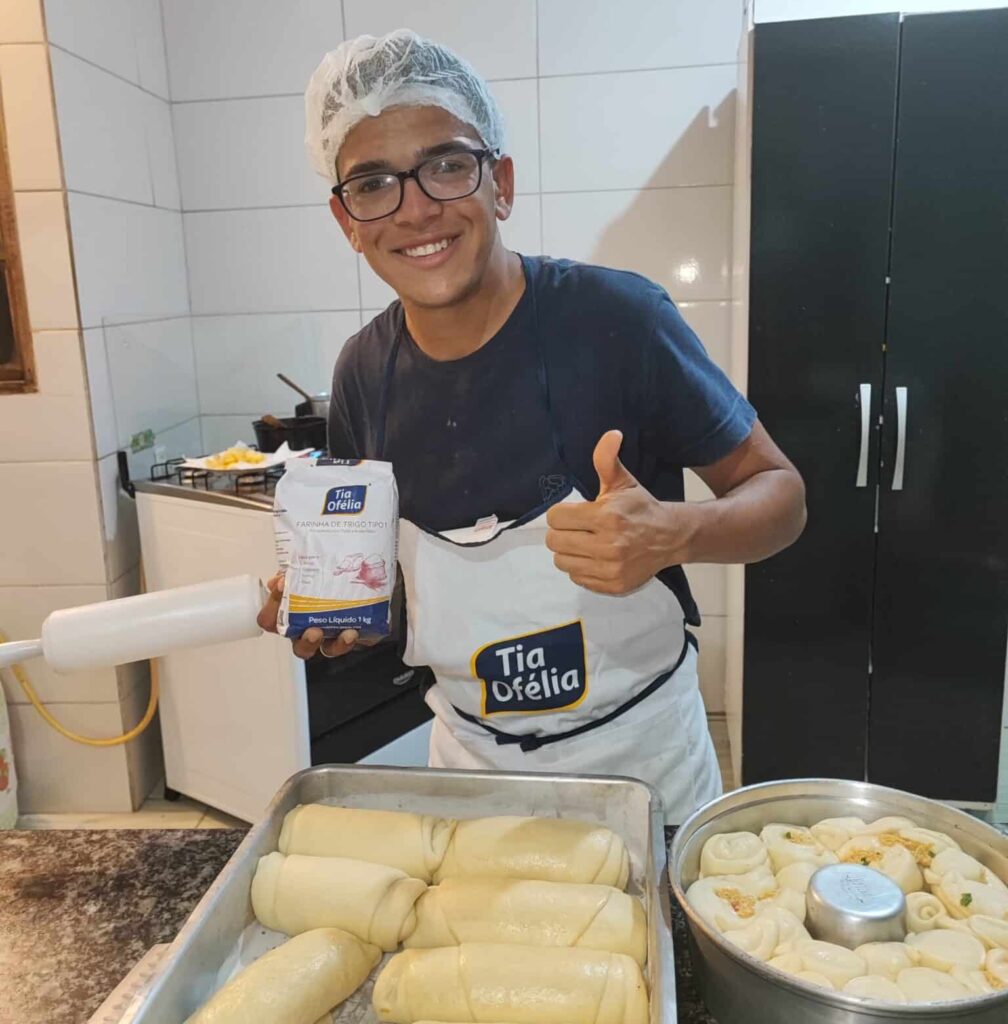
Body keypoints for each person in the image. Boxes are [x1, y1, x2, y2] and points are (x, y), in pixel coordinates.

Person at [258, 30, 806, 823]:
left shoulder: (620, 320)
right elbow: (391, 588)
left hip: (645, 768)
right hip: (474, 776)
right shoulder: (361, 374)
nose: (415, 209)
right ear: (348, 220)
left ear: (500, 184)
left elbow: (781, 496)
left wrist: (675, 534)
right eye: (373, 183)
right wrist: (339, 611)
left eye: (447, 164)